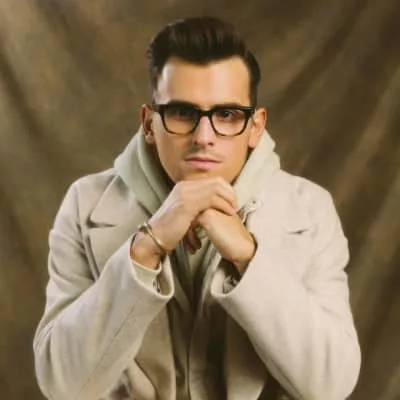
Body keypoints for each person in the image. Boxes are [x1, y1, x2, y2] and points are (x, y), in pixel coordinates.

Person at [33, 16, 361, 400]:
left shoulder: (310, 208)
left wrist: (247, 256)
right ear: (149, 124)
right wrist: (146, 249)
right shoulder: (85, 202)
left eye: (227, 115)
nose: (204, 137)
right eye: (182, 113)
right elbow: (63, 385)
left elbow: (330, 386)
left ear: (255, 127)